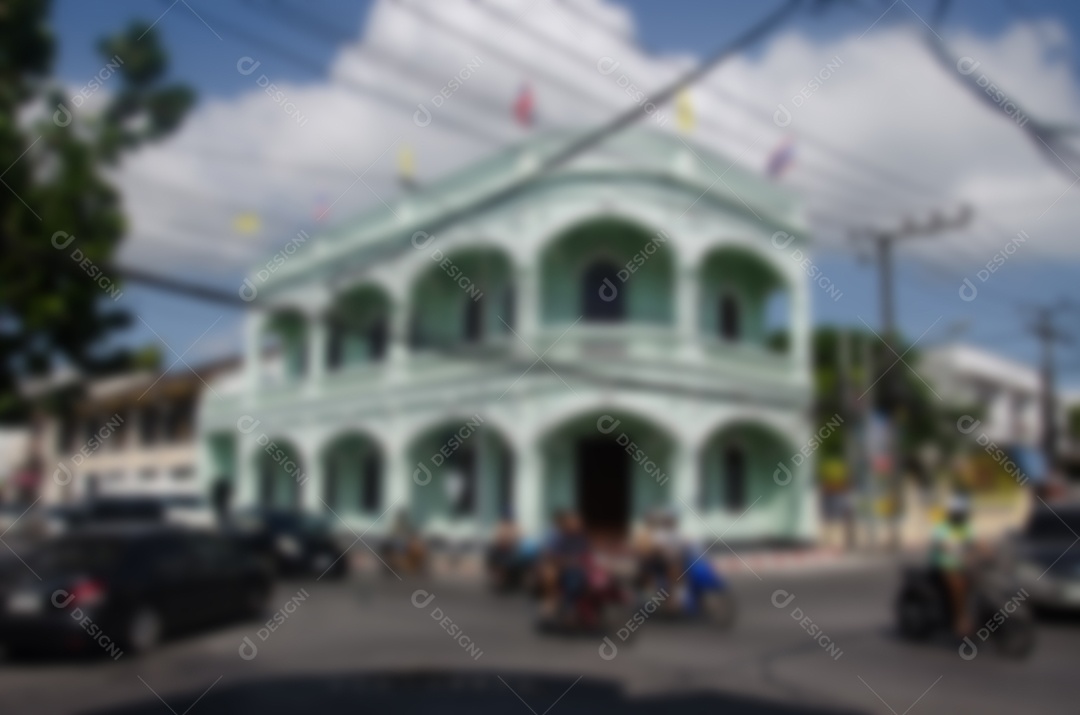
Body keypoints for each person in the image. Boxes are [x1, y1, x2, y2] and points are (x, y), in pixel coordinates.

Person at [929, 493, 976, 637]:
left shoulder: (965, 527)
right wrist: (960, 552)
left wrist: (988, 551)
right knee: (958, 585)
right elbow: (944, 545)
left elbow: (975, 542)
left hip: (962, 566)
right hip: (944, 566)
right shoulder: (942, 528)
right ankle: (959, 619)